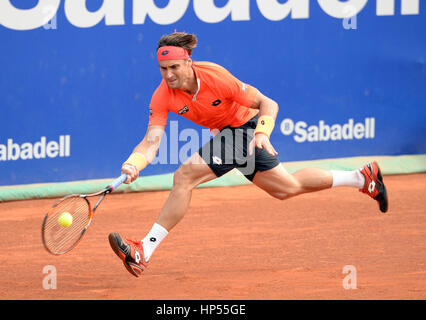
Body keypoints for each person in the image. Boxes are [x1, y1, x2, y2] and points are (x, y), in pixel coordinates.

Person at [108, 32, 388, 278]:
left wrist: (262, 132)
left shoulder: (216, 77)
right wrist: (133, 163)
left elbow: (268, 103)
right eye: (162, 68)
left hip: (247, 128)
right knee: (287, 188)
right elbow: (151, 142)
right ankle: (361, 179)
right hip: (228, 134)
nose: (168, 75)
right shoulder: (163, 95)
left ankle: (144, 249)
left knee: (184, 176)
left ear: (189, 63)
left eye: (174, 67)